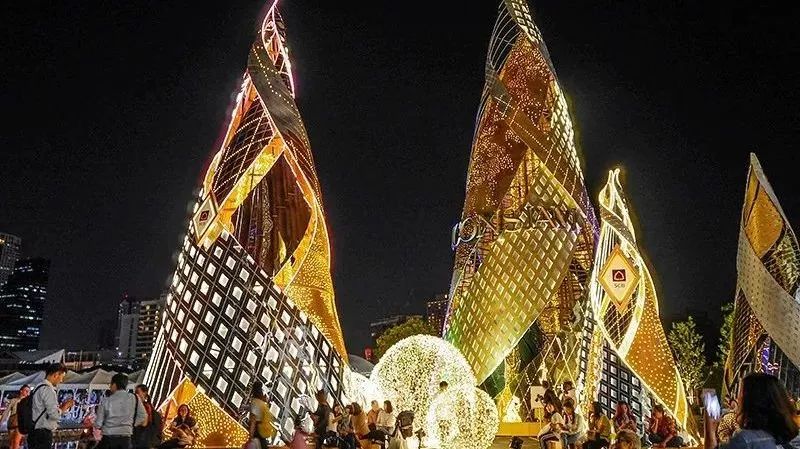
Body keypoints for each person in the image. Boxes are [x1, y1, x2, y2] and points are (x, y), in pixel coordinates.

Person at [705, 373, 800, 449]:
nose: (738, 398)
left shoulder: (745, 439)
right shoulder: (781, 438)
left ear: (750, 401)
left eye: (740, 393)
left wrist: (710, 429)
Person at [93, 373, 147, 449]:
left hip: (108, 440)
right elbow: (143, 416)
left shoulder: (106, 400)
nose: (110, 387)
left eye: (110, 384)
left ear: (114, 385)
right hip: (125, 440)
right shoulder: (134, 398)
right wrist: (131, 424)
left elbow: (98, 424)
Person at [29, 363, 75, 449]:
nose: (61, 380)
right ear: (56, 374)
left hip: (34, 431)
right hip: (42, 435)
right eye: (62, 377)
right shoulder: (48, 390)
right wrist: (65, 407)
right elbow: (54, 415)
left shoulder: (38, 387)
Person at [247, 382, 276, 449]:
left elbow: (253, 420)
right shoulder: (262, 403)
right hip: (262, 429)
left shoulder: (255, 402)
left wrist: (251, 434)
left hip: (257, 429)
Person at [0, 385, 30, 449]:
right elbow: (6, 412)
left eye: (28, 391)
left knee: (16, 443)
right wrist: (1, 422)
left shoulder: (28, 402)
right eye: (26, 390)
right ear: (21, 391)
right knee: (12, 443)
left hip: (20, 424)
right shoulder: (14, 400)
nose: (27, 392)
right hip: (12, 423)